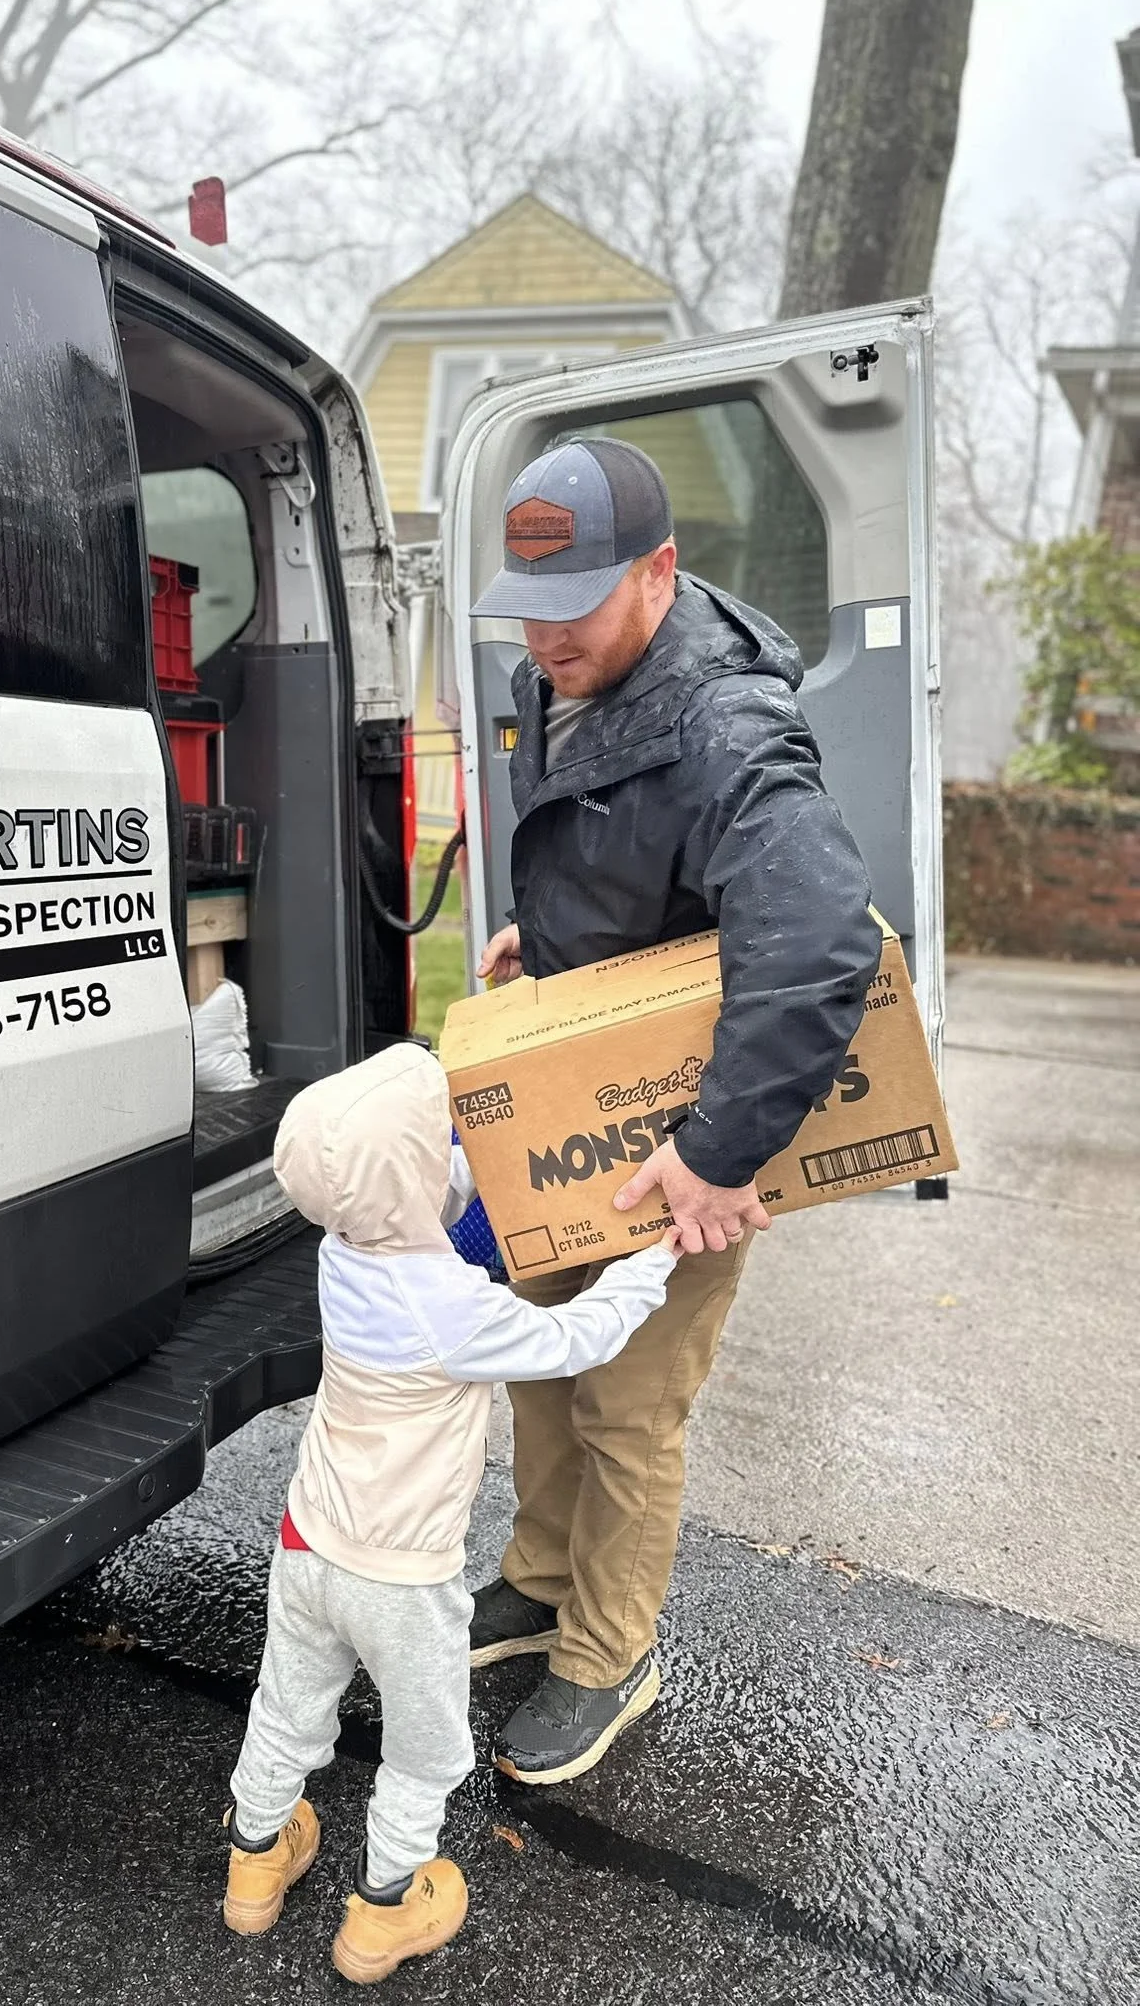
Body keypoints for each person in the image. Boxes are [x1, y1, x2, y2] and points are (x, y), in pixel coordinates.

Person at [466, 436, 881, 1786]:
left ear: (659, 571)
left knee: (628, 1401)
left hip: (683, 1128)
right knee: (542, 1351)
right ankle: (540, 1579)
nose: (547, 639)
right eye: (528, 608)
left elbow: (817, 944)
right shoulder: (565, 674)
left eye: (577, 605)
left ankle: (609, 1650)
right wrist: (544, 937)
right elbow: (613, 854)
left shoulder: (725, 724)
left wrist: (717, 1152)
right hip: (576, 1104)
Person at [223, 1044, 680, 1983]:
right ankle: (385, 1910)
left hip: (308, 1540)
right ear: (416, 1176)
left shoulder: (341, 1249)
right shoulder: (455, 1310)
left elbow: (420, 1204)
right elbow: (579, 1336)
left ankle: (255, 1859)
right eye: (444, 1145)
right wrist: (653, 1257)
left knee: (288, 1706)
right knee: (423, 1750)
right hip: (401, 1577)